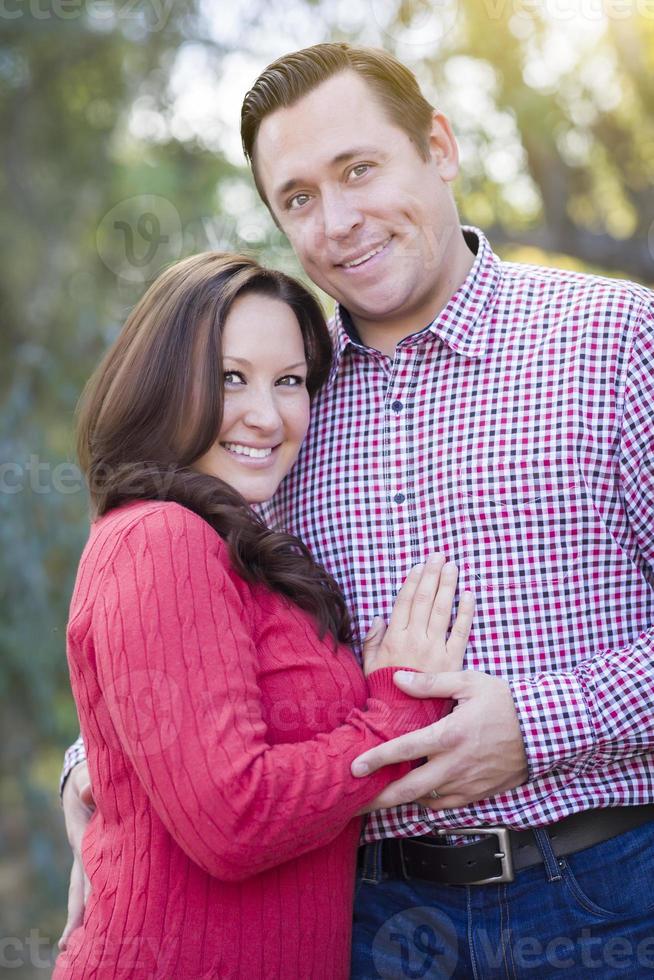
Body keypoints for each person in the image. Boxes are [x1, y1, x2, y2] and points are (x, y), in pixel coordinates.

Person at [61, 42, 654, 977]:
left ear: (441, 148)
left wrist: (540, 726)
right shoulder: (273, 407)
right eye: (298, 198)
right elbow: (187, 635)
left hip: (607, 891)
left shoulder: (617, 341)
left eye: (359, 169)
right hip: (361, 917)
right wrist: (90, 763)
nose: (337, 221)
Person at [54, 251, 475, 979]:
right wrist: (393, 716)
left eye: (289, 382)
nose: (267, 415)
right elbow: (232, 818)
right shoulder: (161, 538)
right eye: (229, 378)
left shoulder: (228, 542)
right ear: (161, 381)